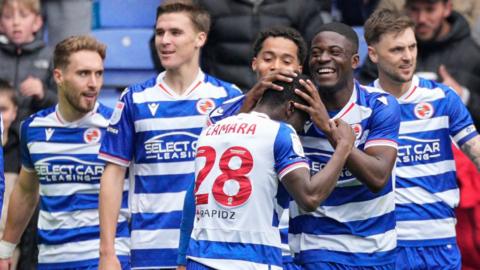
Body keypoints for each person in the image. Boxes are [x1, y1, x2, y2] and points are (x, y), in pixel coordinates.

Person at [206, 22, 401, 269]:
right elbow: (237, 139)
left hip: (374, 248)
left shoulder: (379, 106)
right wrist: (253, 96)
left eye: (334, 52)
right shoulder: (296, 106)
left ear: (354, 61)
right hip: (313, 250)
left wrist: (329, 129)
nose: (323, 59)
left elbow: (378, 177)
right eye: (316, 53)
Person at [97, 2, 242, 269]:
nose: (164, 41)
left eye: (175, 32)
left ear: (201, 38)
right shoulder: (134, 98)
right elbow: (113, 175)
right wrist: (107, 252)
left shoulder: (228, 98)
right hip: (149, 250)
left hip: (209, 249)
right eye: (160, 32)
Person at [180, 74, 355, 269]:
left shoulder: (211, 130)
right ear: (290, 108)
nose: (299, 130)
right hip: (251, 259)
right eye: (302, 122)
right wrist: (344, 146)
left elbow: (192, 198)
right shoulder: (280, 132)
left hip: (199, 258)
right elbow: (310, 197)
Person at [0, 35, 130, 270]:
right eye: (84, 73)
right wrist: (6, 249)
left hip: (106, 260)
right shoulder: (33, 128)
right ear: (58, 76)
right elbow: (26, 191)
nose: (94, 83)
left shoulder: (117, 124)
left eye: (99, 74)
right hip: (53, 259)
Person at [363, 8, 480, 269]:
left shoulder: (442, 98)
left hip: (440, 242)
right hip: (385, 245)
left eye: (412, 47)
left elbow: (476, 150)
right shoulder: (362, 105)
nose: (408, 57)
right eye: (397, 50)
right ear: (372, 53)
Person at [359, 0, 480, 131]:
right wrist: (394, 92)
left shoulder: (473, 53)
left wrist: (464, 96)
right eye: (415, 10)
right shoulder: (384, 49)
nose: (421, 19)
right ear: (405, 9)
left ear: (447, 8)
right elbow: (362, 97)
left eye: (430, 10)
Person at [0, 0, 57, 123]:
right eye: (8, 17)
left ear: (37, 22)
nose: (16, 22)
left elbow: (63, 105)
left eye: (24, 15)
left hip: (36, 133)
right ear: (1, 24)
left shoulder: (51, 57)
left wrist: (43, 94)